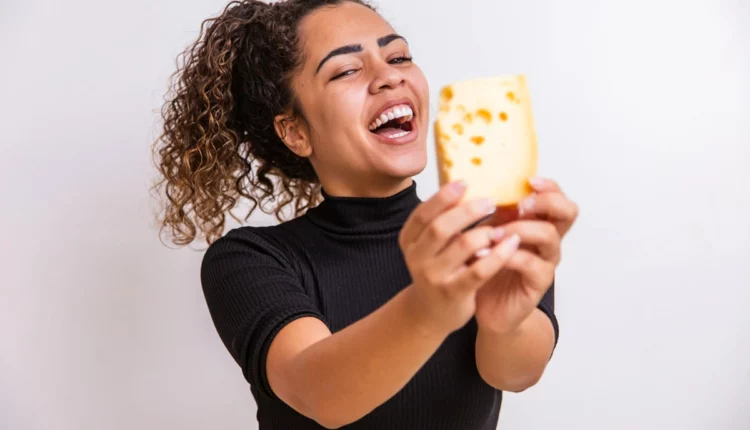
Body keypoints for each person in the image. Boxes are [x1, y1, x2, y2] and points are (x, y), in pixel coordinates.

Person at [152, 0, 579, 428]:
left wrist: (505, 321)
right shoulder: (251, 259)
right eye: (347, 70)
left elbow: (514, 373)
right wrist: (429, 307)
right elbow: (319, 393)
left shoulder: (489, 231)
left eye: (398, 57)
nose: (390, 76)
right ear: (296, 132)